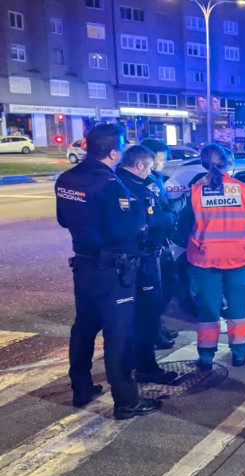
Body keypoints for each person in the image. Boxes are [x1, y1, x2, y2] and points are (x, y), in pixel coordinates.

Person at [55, 123, 161, 419]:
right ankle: (127, 401)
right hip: (113, 271)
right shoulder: (111, 185)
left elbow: (64, 221)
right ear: (114, 152)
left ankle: (81, 387)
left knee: (84, 328)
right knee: (119, 335)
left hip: (83, 266)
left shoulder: (66, 178)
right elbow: (127, 230)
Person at [176, 144, 245, 369]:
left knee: (209, 310)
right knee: (238, 308)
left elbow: (181, 226)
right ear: (227, 163)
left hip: (205, 259)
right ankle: (239, 353)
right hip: (239, 258)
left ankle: (206, 357)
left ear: (203, 164)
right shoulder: (244, 189)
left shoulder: (194, 192)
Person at [116, 145, 179, 384]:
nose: (151, 172)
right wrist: (172, 217)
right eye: (150, 166)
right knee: (146, 314)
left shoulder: (114, 182)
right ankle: (145, 366)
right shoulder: (137, 189)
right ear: (140, 165)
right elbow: (157, 219)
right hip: (143, 259)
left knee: (130, 316)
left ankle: (131, 362)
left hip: (123, 261)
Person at [140, 139, 179, 349]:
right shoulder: (146, 181)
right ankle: (153, 332)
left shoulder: (156, 179)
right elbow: (159, 212)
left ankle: (157, 325)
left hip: (160, 240)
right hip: (152, 242)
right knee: (157, 289)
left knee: (168, 283)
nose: (164, 162)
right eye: (161, 158)